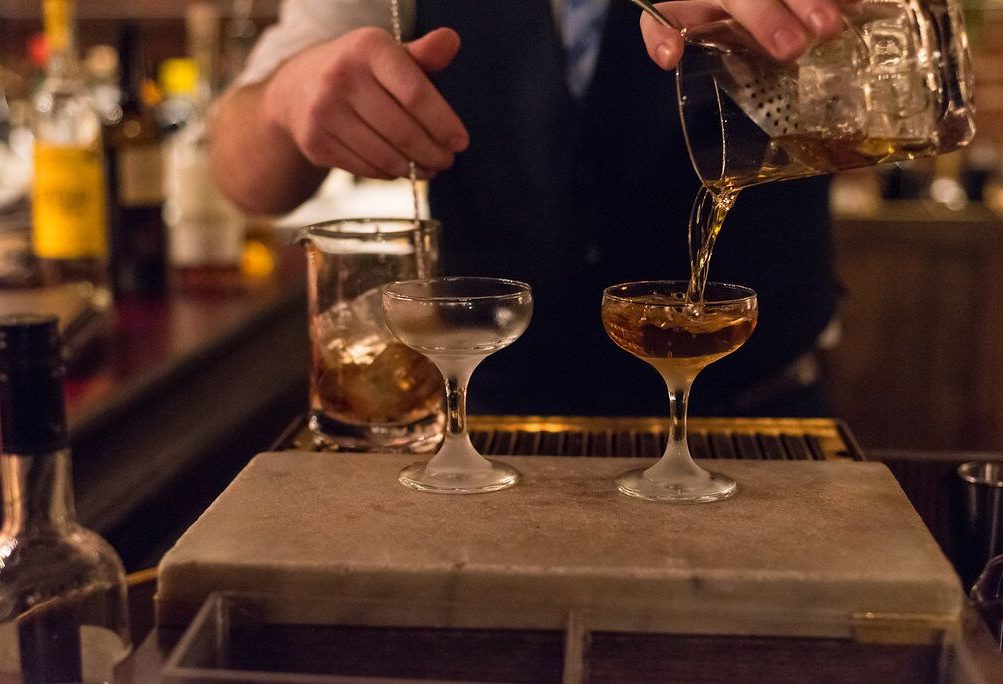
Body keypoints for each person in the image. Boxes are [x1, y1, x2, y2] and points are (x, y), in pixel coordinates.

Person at [209, 0, 848, 417]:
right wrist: (285, 97)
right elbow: (242, 176)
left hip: (759, 423)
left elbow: (889, 87)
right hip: (488, 431)